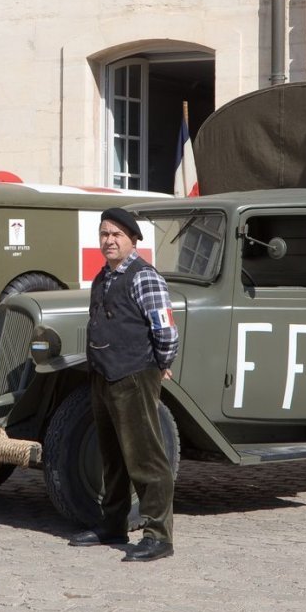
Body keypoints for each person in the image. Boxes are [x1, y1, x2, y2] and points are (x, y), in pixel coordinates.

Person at [68, 207, 179, 562]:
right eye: (104, 234)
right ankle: (112, 524)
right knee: (112, 457)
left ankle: (158, 536)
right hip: (104, 375)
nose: (109, 240)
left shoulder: (144, 277)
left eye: (116, 235)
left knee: (146, 457)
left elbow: (165, 329)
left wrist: (161, 364)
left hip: (134, 375)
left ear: (133, 240)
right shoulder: (103, 276)